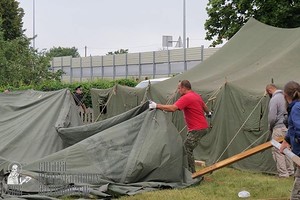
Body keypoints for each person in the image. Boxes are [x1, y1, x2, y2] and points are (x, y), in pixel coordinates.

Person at [149, 80, 211, 173]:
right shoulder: (196, 95)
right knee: (187, 148)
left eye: (179, 88)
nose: (178, 91)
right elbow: (204, 106)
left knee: (186, 149)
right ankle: (188, 171)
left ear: (183, 88)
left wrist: (156, 105)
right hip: (202, 127)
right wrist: (208, 113)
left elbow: (173, 108)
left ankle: (191, 174)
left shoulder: (186, 97)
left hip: (197, 129)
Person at [266, 84, 294, 178]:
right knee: (287, 149)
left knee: (278, 150)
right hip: (288, 127)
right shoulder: (285, 97)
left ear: (269, 90)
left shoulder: (274, 99)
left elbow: (272, 117)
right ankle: (290, 171)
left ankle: (283, 174)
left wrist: (270, 127)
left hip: (278, 127)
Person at [280, 81, 300, 199]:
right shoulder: (296, 107)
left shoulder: (296, 108)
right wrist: (286, 140)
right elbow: (293, 128)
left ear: (285, 95)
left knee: (296, 196)